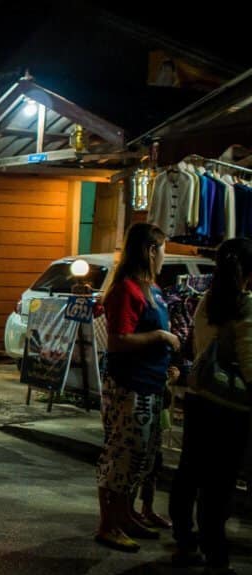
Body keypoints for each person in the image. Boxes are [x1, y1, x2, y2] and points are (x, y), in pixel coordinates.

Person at [169, 238, 252, 575]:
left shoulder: (207, 300)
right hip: (231, 407)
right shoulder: (244, 304)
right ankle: (218, 564)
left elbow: (198, 346)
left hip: (200, 397)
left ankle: (186, 542)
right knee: (219, 487)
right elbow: (249, 361)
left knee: (190, 473)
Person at [95, 223, 180, 552]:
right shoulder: (126, 289)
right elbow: (118, 341)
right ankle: (108, 525)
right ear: (150, 250)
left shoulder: (152, 289)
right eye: (163, 249)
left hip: (151, 384)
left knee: (142, 458)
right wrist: (159, 337)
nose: (165, 256)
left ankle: (126, 516)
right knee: (122, 456)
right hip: (129, 386)